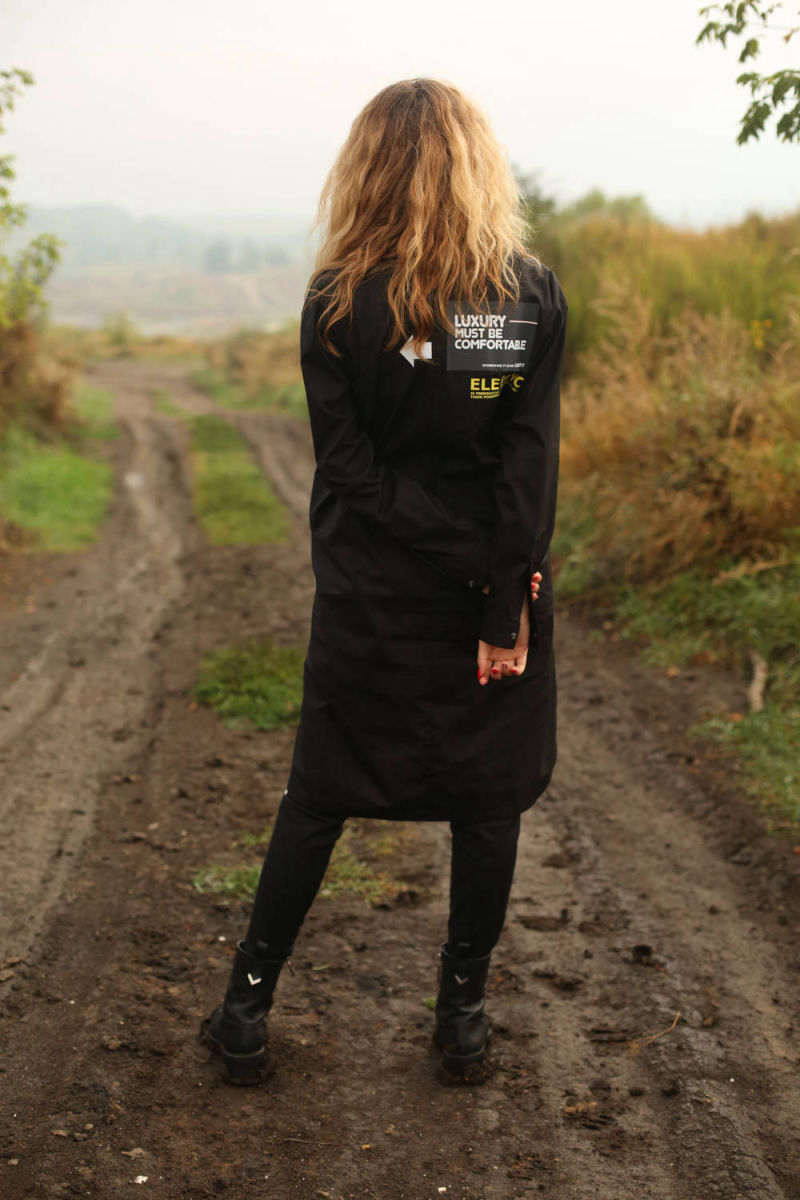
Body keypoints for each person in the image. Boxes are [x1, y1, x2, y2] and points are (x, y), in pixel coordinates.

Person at [201, 77, 567, 1085]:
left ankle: (244, 1010)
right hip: (491, 599)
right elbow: (528, 469)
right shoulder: (530, 296)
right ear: (478, 167)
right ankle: (462, 1020)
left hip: (371, 596)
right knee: (487, 803)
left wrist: (453, 555)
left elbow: (350, 470)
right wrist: (497, 590)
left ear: (366, 169)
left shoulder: (336, 299)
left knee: (320, 794)